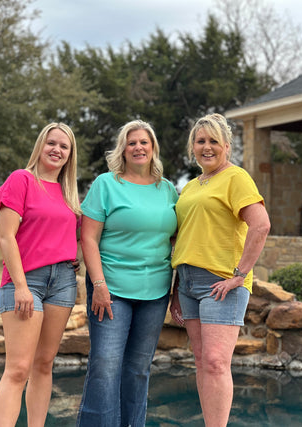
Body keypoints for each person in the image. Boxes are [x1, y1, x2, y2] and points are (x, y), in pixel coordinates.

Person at [170, 113, 270, 427]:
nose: (207, 147)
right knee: (201, 360)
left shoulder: (236, 177)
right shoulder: (189, 187)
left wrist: (240, 275)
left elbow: (261, 225)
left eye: (214, 141)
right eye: (201, 141)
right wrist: (176, 289)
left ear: (226, 146)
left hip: (221, 283)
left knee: (215, 362)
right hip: (187, 282)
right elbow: (184, 237)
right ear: (193, 147)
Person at [77, 119, 178, 427]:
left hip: (155, 292)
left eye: (143, 142)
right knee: (105, 366)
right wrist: (99, 285)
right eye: (131, 142)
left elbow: (175, 239)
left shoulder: (169, 189)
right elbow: (88, 238)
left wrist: (175, 291)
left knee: (138, 369)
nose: (138, 147)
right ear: (122, 149)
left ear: (153, 148)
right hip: (111, 290)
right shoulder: (106, 184)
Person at [0, 123, 82, 427]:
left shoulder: (70, 193)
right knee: (18, 368)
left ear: (70, 155)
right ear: (40, 146)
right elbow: (6, 237)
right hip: (25, 280)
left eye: (64, 146)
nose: (57, 150)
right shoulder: (22, 180)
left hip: (63, 283)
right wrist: (20, 286)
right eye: (51, 143)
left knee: (44, 365)